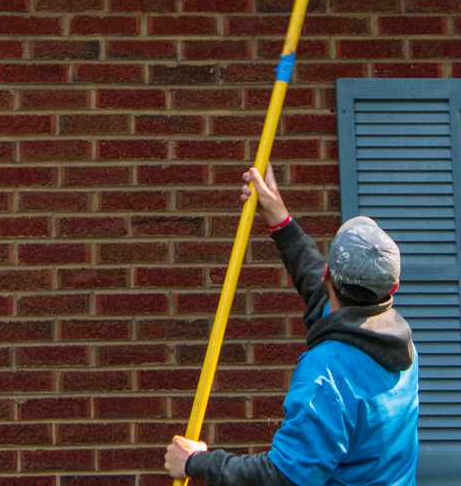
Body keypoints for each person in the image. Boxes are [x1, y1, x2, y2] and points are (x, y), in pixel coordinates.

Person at [163, 166, 418, 486]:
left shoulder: (327, 375)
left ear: (329, 274)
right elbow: (317, 289)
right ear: (392, 287)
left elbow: (283, 477)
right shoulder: (398, 344)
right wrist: (278, 215)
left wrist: (197, 462)